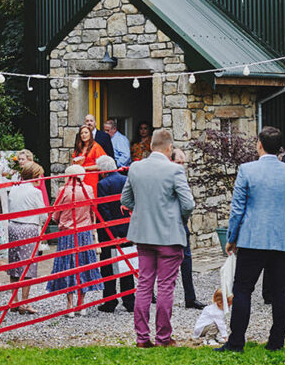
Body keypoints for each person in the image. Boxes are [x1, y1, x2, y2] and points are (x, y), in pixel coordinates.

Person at [219, 126, 285, 353]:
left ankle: (236, 341)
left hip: (252, 239)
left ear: (259, 144)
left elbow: (237, 209)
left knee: (242, 290)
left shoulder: (247, 170)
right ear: (279, 147)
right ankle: (276, 342)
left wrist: (232, 237)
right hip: (282, 240)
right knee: (281, 292)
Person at [121, 128, 195, 347]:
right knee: (165, 287)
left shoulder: (136, 167)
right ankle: (163, 337)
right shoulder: (174, 171)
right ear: (170, 148)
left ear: (151, 146)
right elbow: (188, 204)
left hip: (144, 235)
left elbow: (126, 199)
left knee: (144, 285)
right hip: (169, 235)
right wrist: (177, 218)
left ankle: (142, 338)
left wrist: (143, 210)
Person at [47, 166, 103, 315]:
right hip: (84, 232)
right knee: (83, 264)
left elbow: (55, 215)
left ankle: (69, 305)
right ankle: (82, 304)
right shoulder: (89, 190)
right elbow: (93, 212)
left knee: (68, 265)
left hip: (67, 233)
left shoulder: (63, 191)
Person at [4, 162, 49, 314]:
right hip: (28, 227)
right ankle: (25, 302)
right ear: (35, 176)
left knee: (15, 264)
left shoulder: (14, 188)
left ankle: (14, 301)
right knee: (28, 266)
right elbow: (43, 214)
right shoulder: (35, 192)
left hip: (13, 226)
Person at [95, 154, 135, 313]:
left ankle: (110, 301)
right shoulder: (126, 179)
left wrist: (112, 233)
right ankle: (130, 301)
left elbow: (104, 210)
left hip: (109, 232)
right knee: (127, 264)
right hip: (127, 228)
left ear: (102, 170)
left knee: (108, 267)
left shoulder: (102, 184)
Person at [172, 147, 205, 310]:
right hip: (170, 224)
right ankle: (152, 295)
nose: (181, 166)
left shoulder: (181, 177)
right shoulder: (169, 176)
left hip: (182, 223)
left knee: (186, 260)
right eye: (178, 162)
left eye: (183, 162)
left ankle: (190, 298)